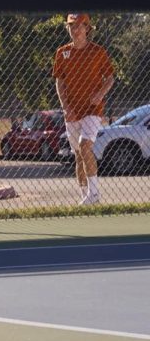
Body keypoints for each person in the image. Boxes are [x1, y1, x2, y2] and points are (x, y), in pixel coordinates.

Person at [54, 13, 114, 206]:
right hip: (72, 112)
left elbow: (110, 78)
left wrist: (100, 94)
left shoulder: (98, 52)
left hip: (92, 110)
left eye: (80, 25)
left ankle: (94, 194)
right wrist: (66, 107)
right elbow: (60, 82)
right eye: (72, 25)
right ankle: (85, 196)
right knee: (79, 155)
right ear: (68, 28)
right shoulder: (62, 52)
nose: (76, 29)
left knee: (85, 145)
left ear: (87, 28)